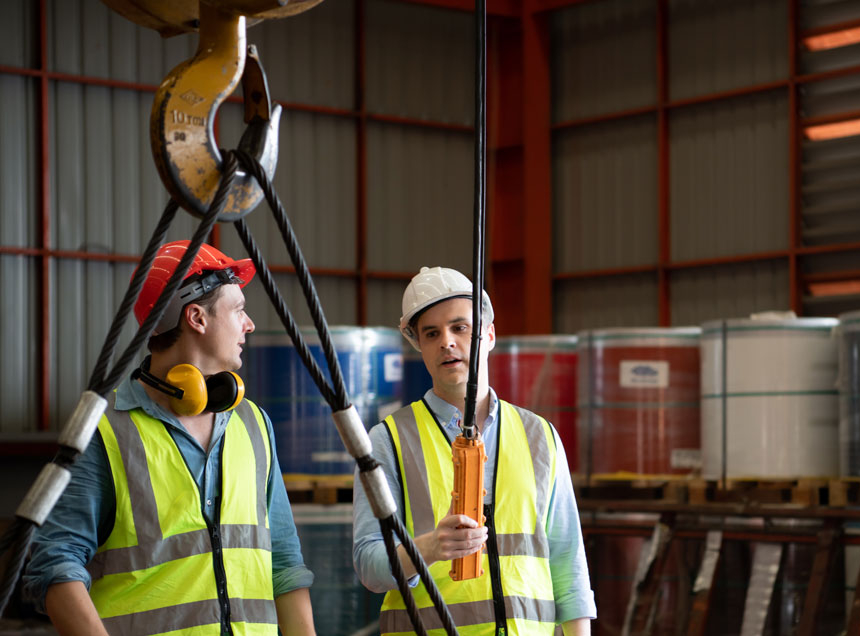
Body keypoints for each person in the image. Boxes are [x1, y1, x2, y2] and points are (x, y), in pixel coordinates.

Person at [23, 240, 316, 636]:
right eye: (239, 310)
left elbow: (284, 564)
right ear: (196, 317)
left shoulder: (253, 423)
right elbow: (55, 563)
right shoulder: (106, 430)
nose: (248, 324)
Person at [352, 266, 595, 636]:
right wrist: (429, 547)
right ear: (419, 345)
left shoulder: (539, 435)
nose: (447, 342)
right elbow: (370, 566)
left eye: (460, 327)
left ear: (489, 334)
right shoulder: (388, 440)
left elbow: (567, 563)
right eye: (431, 333)